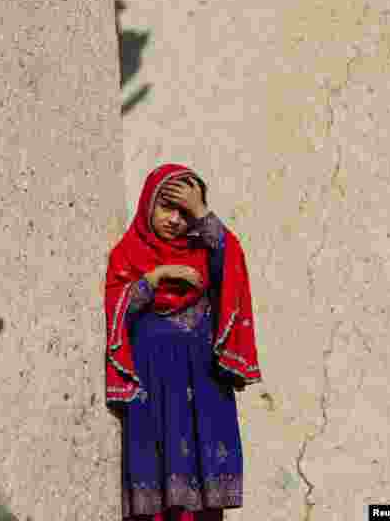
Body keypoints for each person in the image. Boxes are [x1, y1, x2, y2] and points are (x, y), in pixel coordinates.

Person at [104, 164, 262, 521]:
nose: (175, 219)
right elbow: (117, 313)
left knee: (203, 509)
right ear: (147, 205)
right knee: (156, 504)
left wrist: (203, 214)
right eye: (166, 206)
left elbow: (232, 259)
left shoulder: (207, 254)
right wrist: (157, 276)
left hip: (203, 396)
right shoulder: (127, 255)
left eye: (185, 210)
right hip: (153, 396)